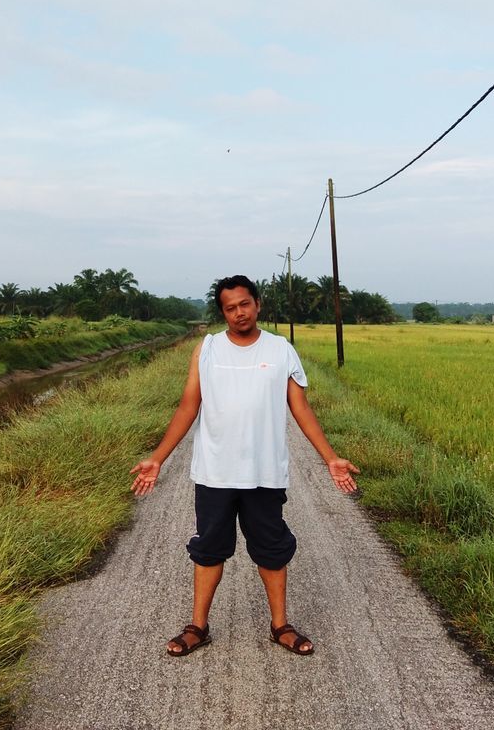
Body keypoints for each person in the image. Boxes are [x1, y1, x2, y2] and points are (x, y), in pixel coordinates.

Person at [130, 274, 360, 657]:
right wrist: (157, 458)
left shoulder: (281, 349)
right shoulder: (207, 350)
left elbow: (299, 407)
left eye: (245, 304)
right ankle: (197, 627)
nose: (239, 313)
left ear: (258, 304)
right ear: (223, 312)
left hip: (264, 473)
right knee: (209, 549)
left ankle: (280, 626)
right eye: (230, 307)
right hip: (215, 473)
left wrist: (330, 458)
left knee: (272, 547)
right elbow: (189, 405)